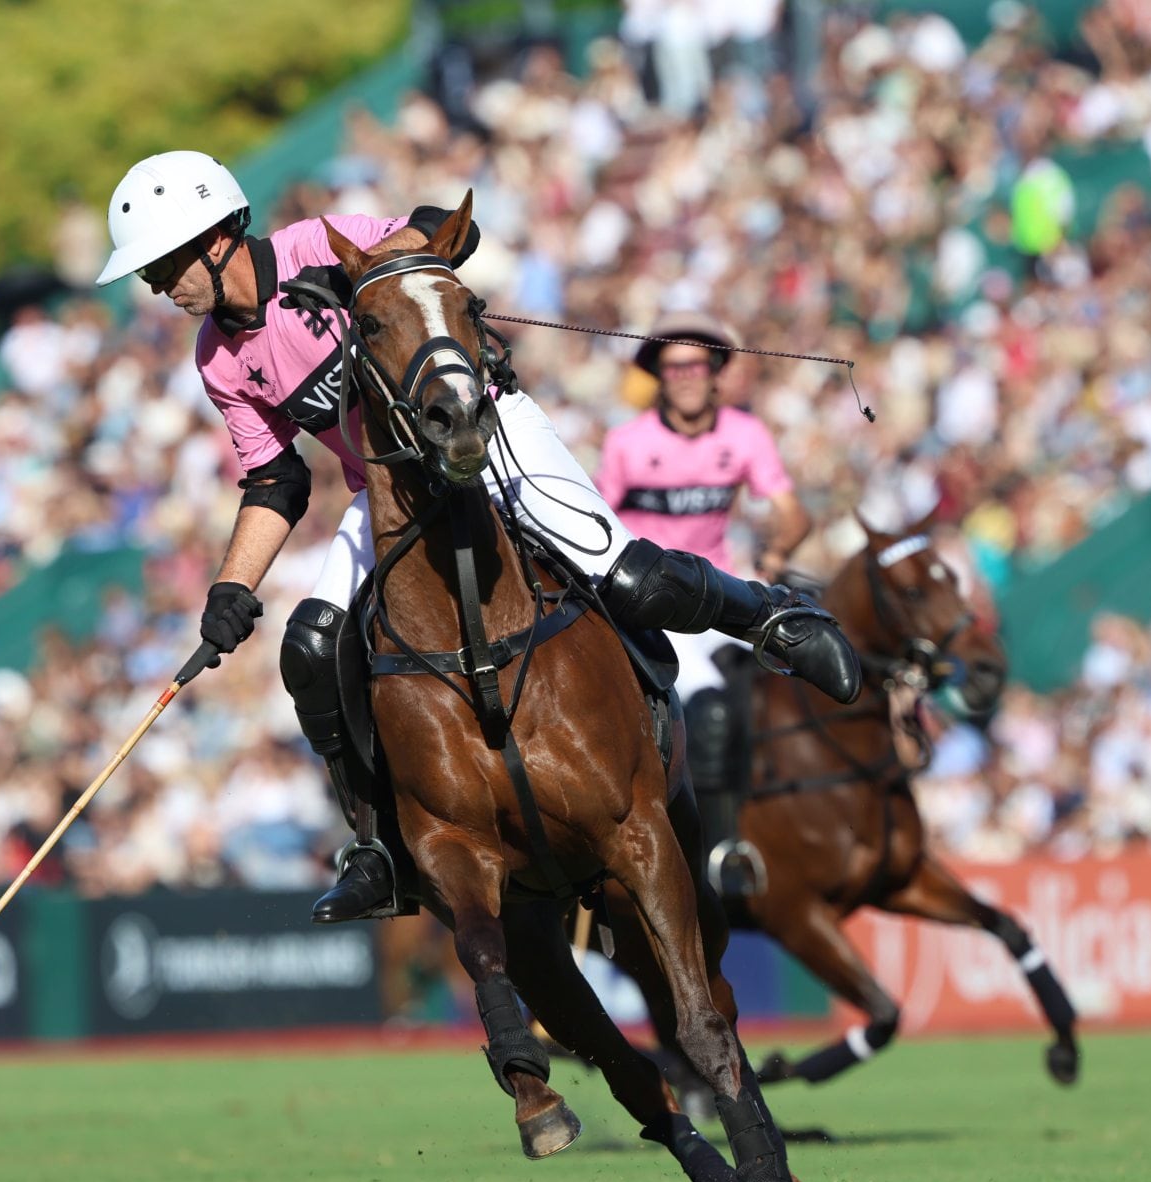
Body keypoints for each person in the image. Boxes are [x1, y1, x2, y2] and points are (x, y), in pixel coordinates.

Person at [94, 151, 858, 925]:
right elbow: (275, 480)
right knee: (311, 648)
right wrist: (233, 588)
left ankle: (775, 618)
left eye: (164, 265)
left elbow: (432, 231)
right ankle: (376, 847)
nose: (160, 286)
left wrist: (376, 275)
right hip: (391, 489)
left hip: (486, 431)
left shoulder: (314, 249)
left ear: (218, 234)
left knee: (633, 580)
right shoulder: (218, 360)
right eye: (152, 275)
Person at [596, 313, 809, 895]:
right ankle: (719, 854)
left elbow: (791, 512)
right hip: (651, 605)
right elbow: (593, 526)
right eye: (675, 367)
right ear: (659, 377)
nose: (687, 377)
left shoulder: (744, 435)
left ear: (716, 373)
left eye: (697, 365)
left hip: (719, 595)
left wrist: (776, 553)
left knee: (798, 676)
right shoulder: (627, 444)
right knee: (710, 712)